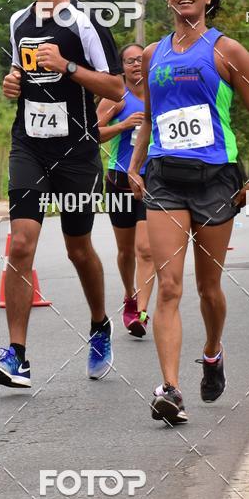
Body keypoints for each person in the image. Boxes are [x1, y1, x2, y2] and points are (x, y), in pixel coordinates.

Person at [128, 0, 249, 425]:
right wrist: (135, 163)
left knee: (208, 288)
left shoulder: (228, 51)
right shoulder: (153, 53)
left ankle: (212, 351)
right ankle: (170, 389)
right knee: (168, 285)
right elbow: (150, 118)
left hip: (215, 178)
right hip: (164, 177)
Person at [0, 0, 123, 388]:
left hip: (76, 152)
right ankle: (17, 355)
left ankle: (99, 325)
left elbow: (116, 88)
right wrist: (12, 82)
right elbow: (19, 72)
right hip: (29, 145)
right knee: (21, 244)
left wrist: (68, 67)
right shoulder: (18, 21)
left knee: (77, 248)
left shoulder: (85, 23)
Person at [97, 43, 154, 337]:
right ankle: (130, 295)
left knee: (145, 249)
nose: (136, 65)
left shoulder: (158, 95)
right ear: (122, 68)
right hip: (119, 181)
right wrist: (123, 126)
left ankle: (141, 312)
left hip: (151, 180)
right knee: (125, 251)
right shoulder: (116, 98)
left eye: (140, 60)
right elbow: (91, 133)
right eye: (130, 61)